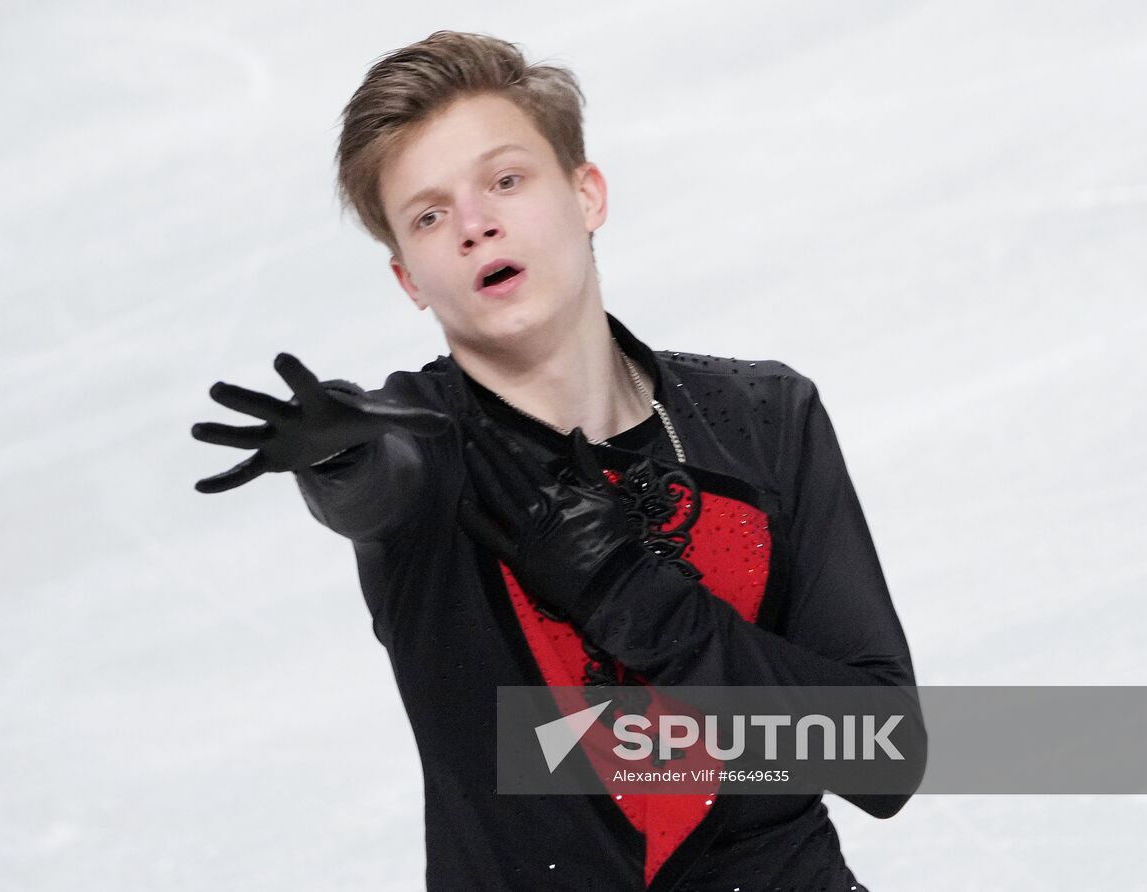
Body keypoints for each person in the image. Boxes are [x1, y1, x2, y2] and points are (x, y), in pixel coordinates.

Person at [192, 30, 924, 891]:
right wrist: (341, 466)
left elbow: (884, 756)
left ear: (587, 194)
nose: (475, 224)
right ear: (409, 280)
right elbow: (376, 484)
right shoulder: (424, 450)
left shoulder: (764, 419)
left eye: (506, 180)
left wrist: (633, 597)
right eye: (430, 215)